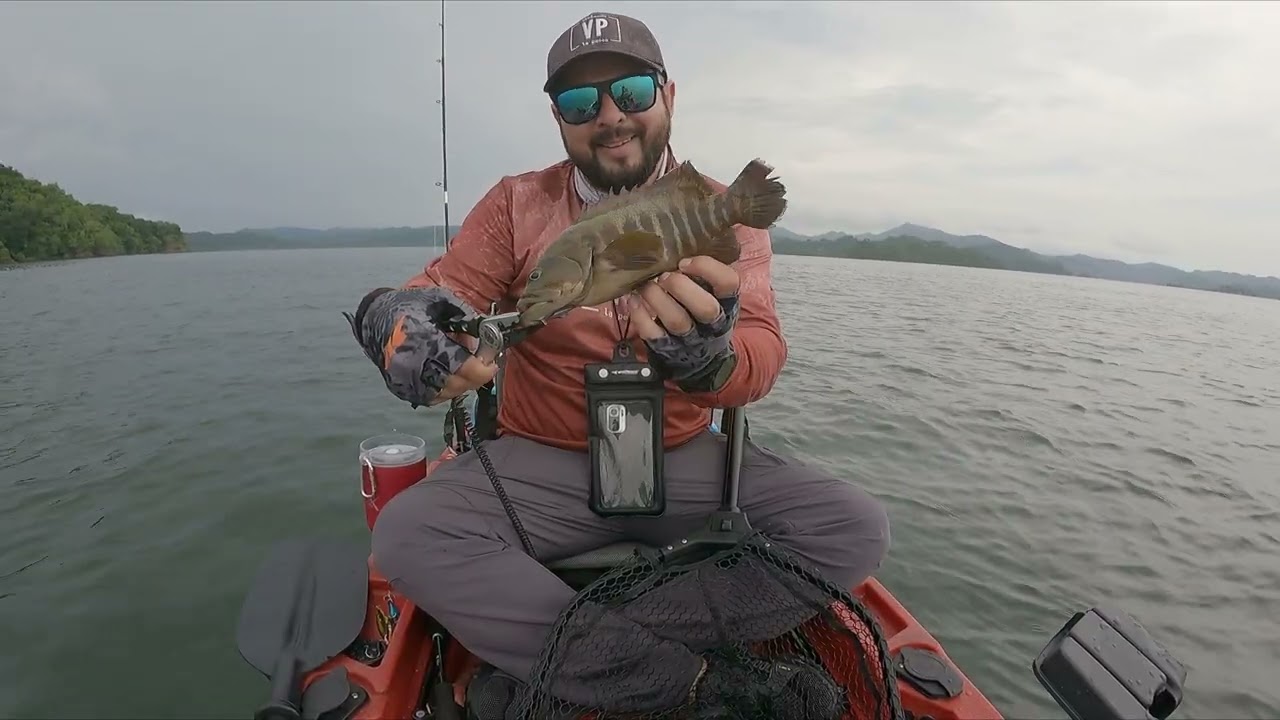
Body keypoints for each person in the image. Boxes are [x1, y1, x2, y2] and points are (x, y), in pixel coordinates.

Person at [345, 11, 891, 718]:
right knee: (406, 535)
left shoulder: (720, 211)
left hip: (683, 460)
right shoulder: (515, 204)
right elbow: (435, 292)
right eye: (580, 102)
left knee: (853, 527)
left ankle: (579, 657)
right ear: (558, 118)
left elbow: (762, 351)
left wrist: (709, 361)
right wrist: (397, 323)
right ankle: (687, 681)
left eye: (631, 91)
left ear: (669, 95)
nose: (609, 116)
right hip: (542, 463)